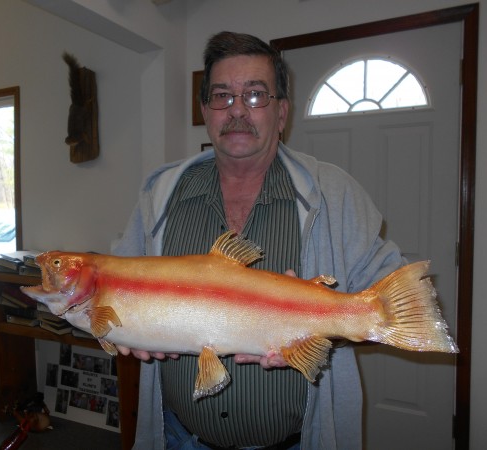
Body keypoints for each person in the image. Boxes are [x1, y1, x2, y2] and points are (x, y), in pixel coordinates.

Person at [115, 31, 404, 450]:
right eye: (221, 96)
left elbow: (393, 305)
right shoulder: (159, 195)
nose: (236, 110)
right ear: (204, 110)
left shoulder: (335, 194)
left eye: (254, 95)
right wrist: (130, 332)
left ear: (281, 112)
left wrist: (314, 324)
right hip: (180, 437)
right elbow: (124, 289)